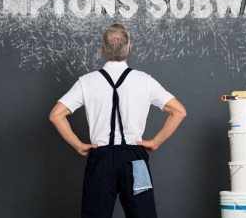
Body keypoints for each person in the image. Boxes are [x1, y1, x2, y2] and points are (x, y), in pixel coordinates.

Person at [49, 23, 187, 218]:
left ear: (103, 48)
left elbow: (56, 115)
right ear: (129, 48)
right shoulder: (144, 80)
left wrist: (78, 145)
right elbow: (179, 112)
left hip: (101, 159)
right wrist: (155, 142)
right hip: (135, 158)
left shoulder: (86, 82)